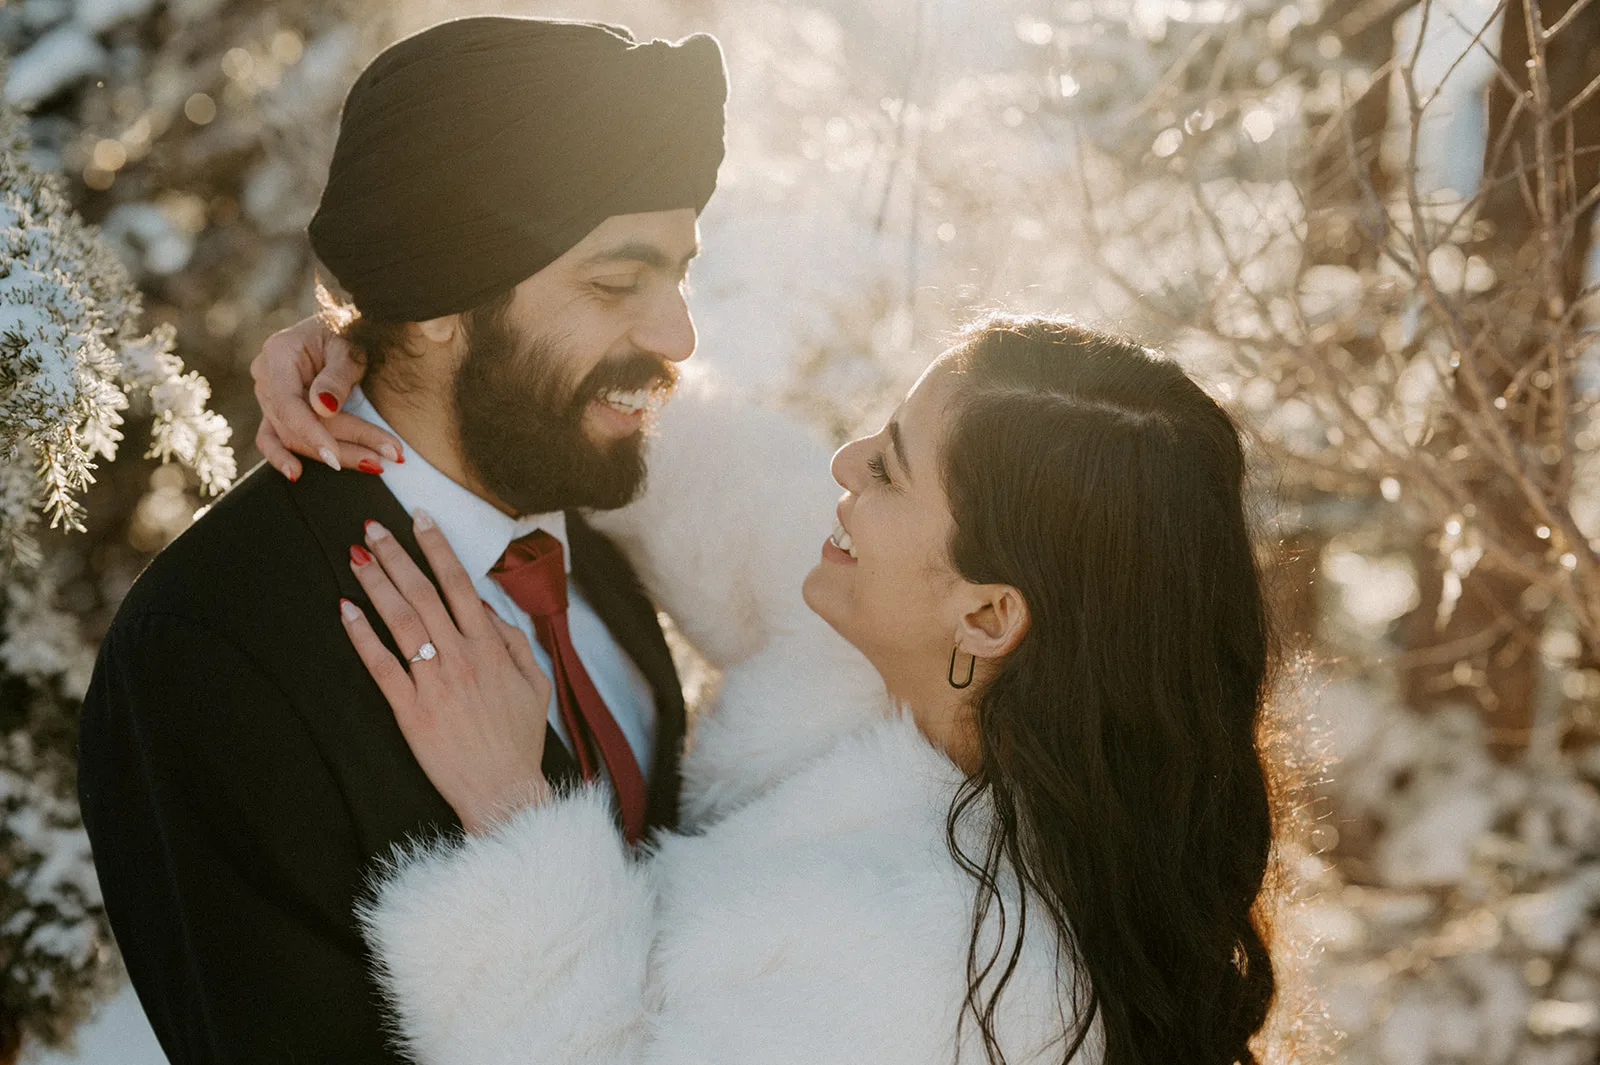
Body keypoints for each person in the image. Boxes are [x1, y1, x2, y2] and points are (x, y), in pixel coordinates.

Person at [253, 313, 1286, 1065]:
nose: (841, 462)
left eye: (888, 469)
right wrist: (409, 355)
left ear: (987, 616)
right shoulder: (903, 655)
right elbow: (673, 463)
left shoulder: (946, 977)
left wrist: (513, 816)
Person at [75, 17, 727, 1063]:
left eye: (681, 272)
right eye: (616, 283)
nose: (679, 336)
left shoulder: (587, 510)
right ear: (436, 302)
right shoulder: (212, 651)